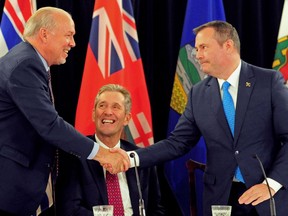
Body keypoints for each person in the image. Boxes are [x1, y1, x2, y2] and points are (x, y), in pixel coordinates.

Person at [110, 20, 288, 215]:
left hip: (266, 195)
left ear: (228, 46)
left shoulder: (268, 82)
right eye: (196, 49)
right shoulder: (198, 93)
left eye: (203, 47)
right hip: (221, 198)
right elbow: (177, 143)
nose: (197, 55)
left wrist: (271, 183)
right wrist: (131, 157)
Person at [0, 7, 128, 216]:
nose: (73, 43)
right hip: (10, 188)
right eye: (68, 35)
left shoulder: (29, 61)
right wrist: (102, 153)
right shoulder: (25, 64)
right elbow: (50, 125)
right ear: (44, 34)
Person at [56, 84, 165, 216]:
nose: (108, 112)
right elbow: (70, 210)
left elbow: (156, 209)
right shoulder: (76, 155)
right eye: (102, 105)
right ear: (93, 114)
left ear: (127, 118)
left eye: (116, 107)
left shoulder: (139, 157)